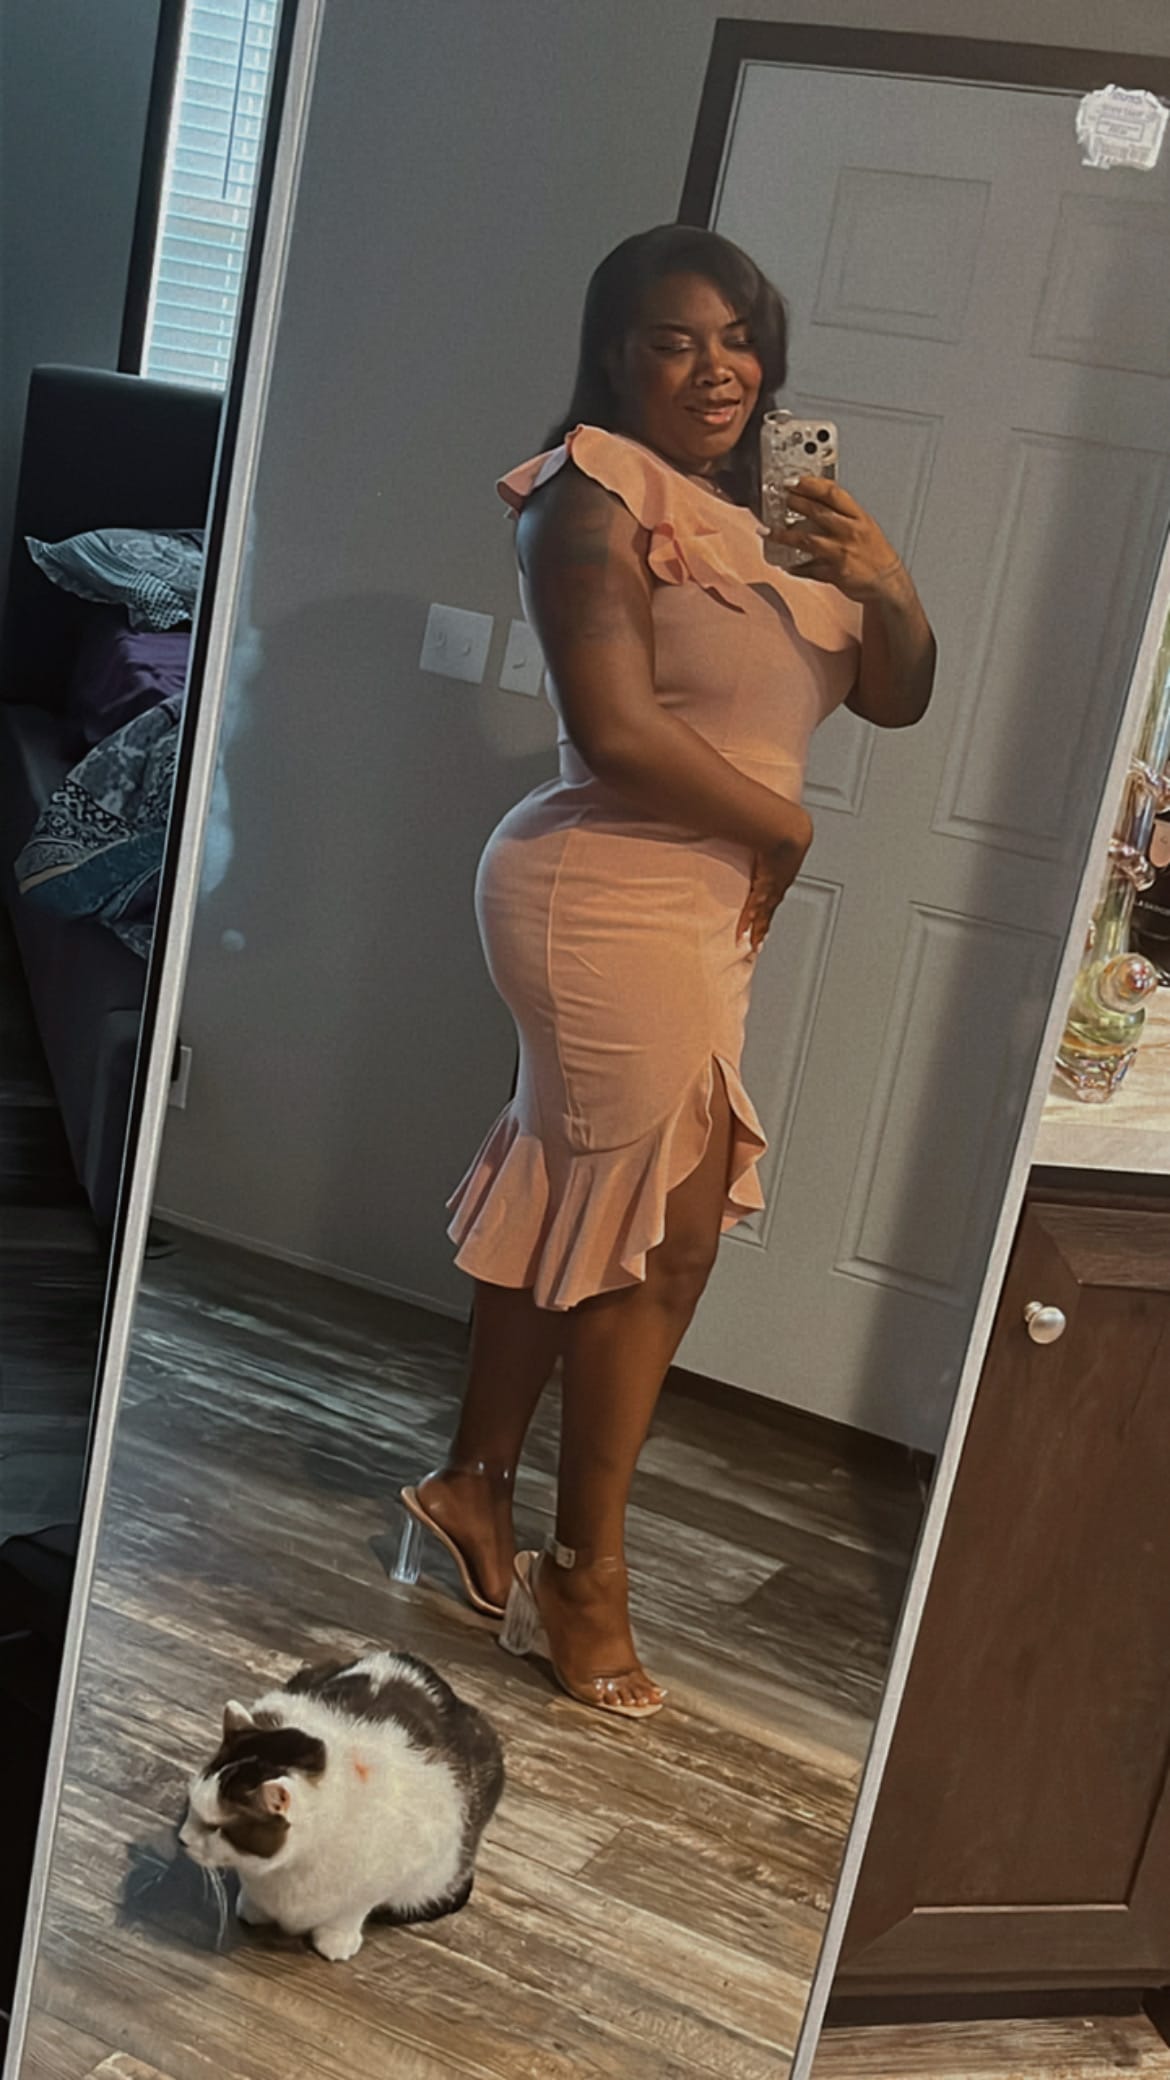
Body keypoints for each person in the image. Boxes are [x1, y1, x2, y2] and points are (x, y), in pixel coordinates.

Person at [399, 223, 935, 1718]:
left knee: (578, 1190)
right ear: (614, 356)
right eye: (675, 340)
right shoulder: (585, 492)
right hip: (604, 891)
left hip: (702, 904)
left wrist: (888, 584)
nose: (717, 369)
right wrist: (783, 826)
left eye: (740, 339)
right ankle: (586, 1576)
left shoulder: (768, 521)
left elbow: (893, 697)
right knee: (663, 1239)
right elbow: (617, 730)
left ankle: (471, 1481)